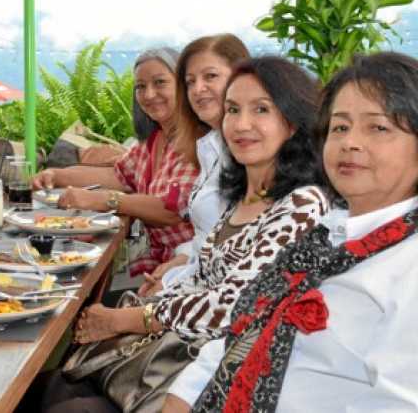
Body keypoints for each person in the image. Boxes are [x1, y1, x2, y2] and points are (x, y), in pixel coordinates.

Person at [40, 57, 329, 413]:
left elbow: (232, 306)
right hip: (177, 350)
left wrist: (130, 319)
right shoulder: (241, 196)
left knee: (67, 405)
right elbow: (206, 277)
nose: (241, 124)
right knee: (55, 384)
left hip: (218, 377)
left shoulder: (302, 205)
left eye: (261, 110)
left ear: (293, 123)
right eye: (233, 109)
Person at [164, 52, 418, 413]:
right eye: (340, 127)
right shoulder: (323, 238)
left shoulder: (406, 265)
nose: (350, 143)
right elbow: (243, 327)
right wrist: (180, 399)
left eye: (378, 127)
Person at [32, 47, 202, 276]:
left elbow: (170, 210)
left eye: (160, 82)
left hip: (191, 266)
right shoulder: (155, 140)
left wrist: (104, 200)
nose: (149, 94)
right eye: (140, 87)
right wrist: (56, 175)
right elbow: (117, 175)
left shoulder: (197, 140)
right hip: (161, 264)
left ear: (183, 86)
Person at [143, 34, 250, 293]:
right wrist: (181, 259)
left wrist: (148, 314)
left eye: (210, 76)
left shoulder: (252, 154)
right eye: (190, 82)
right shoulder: (210, 147)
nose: (197, 89)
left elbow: (239, 268)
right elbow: (209, 236)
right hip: (191, 284)